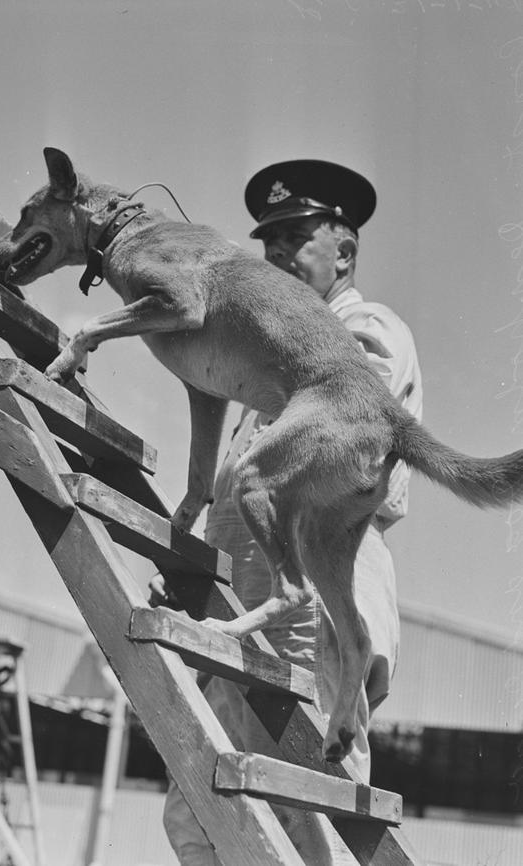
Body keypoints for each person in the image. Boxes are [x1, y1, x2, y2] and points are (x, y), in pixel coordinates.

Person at [155, 160, 423, 866]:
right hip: (242, 601)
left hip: (315, 586)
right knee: (198, 812)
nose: (276, 253)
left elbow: (348, 433)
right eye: (268, 242)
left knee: (304, 815)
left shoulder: (364, 330)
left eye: (296, 235)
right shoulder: (269, 354)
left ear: (344, 250)